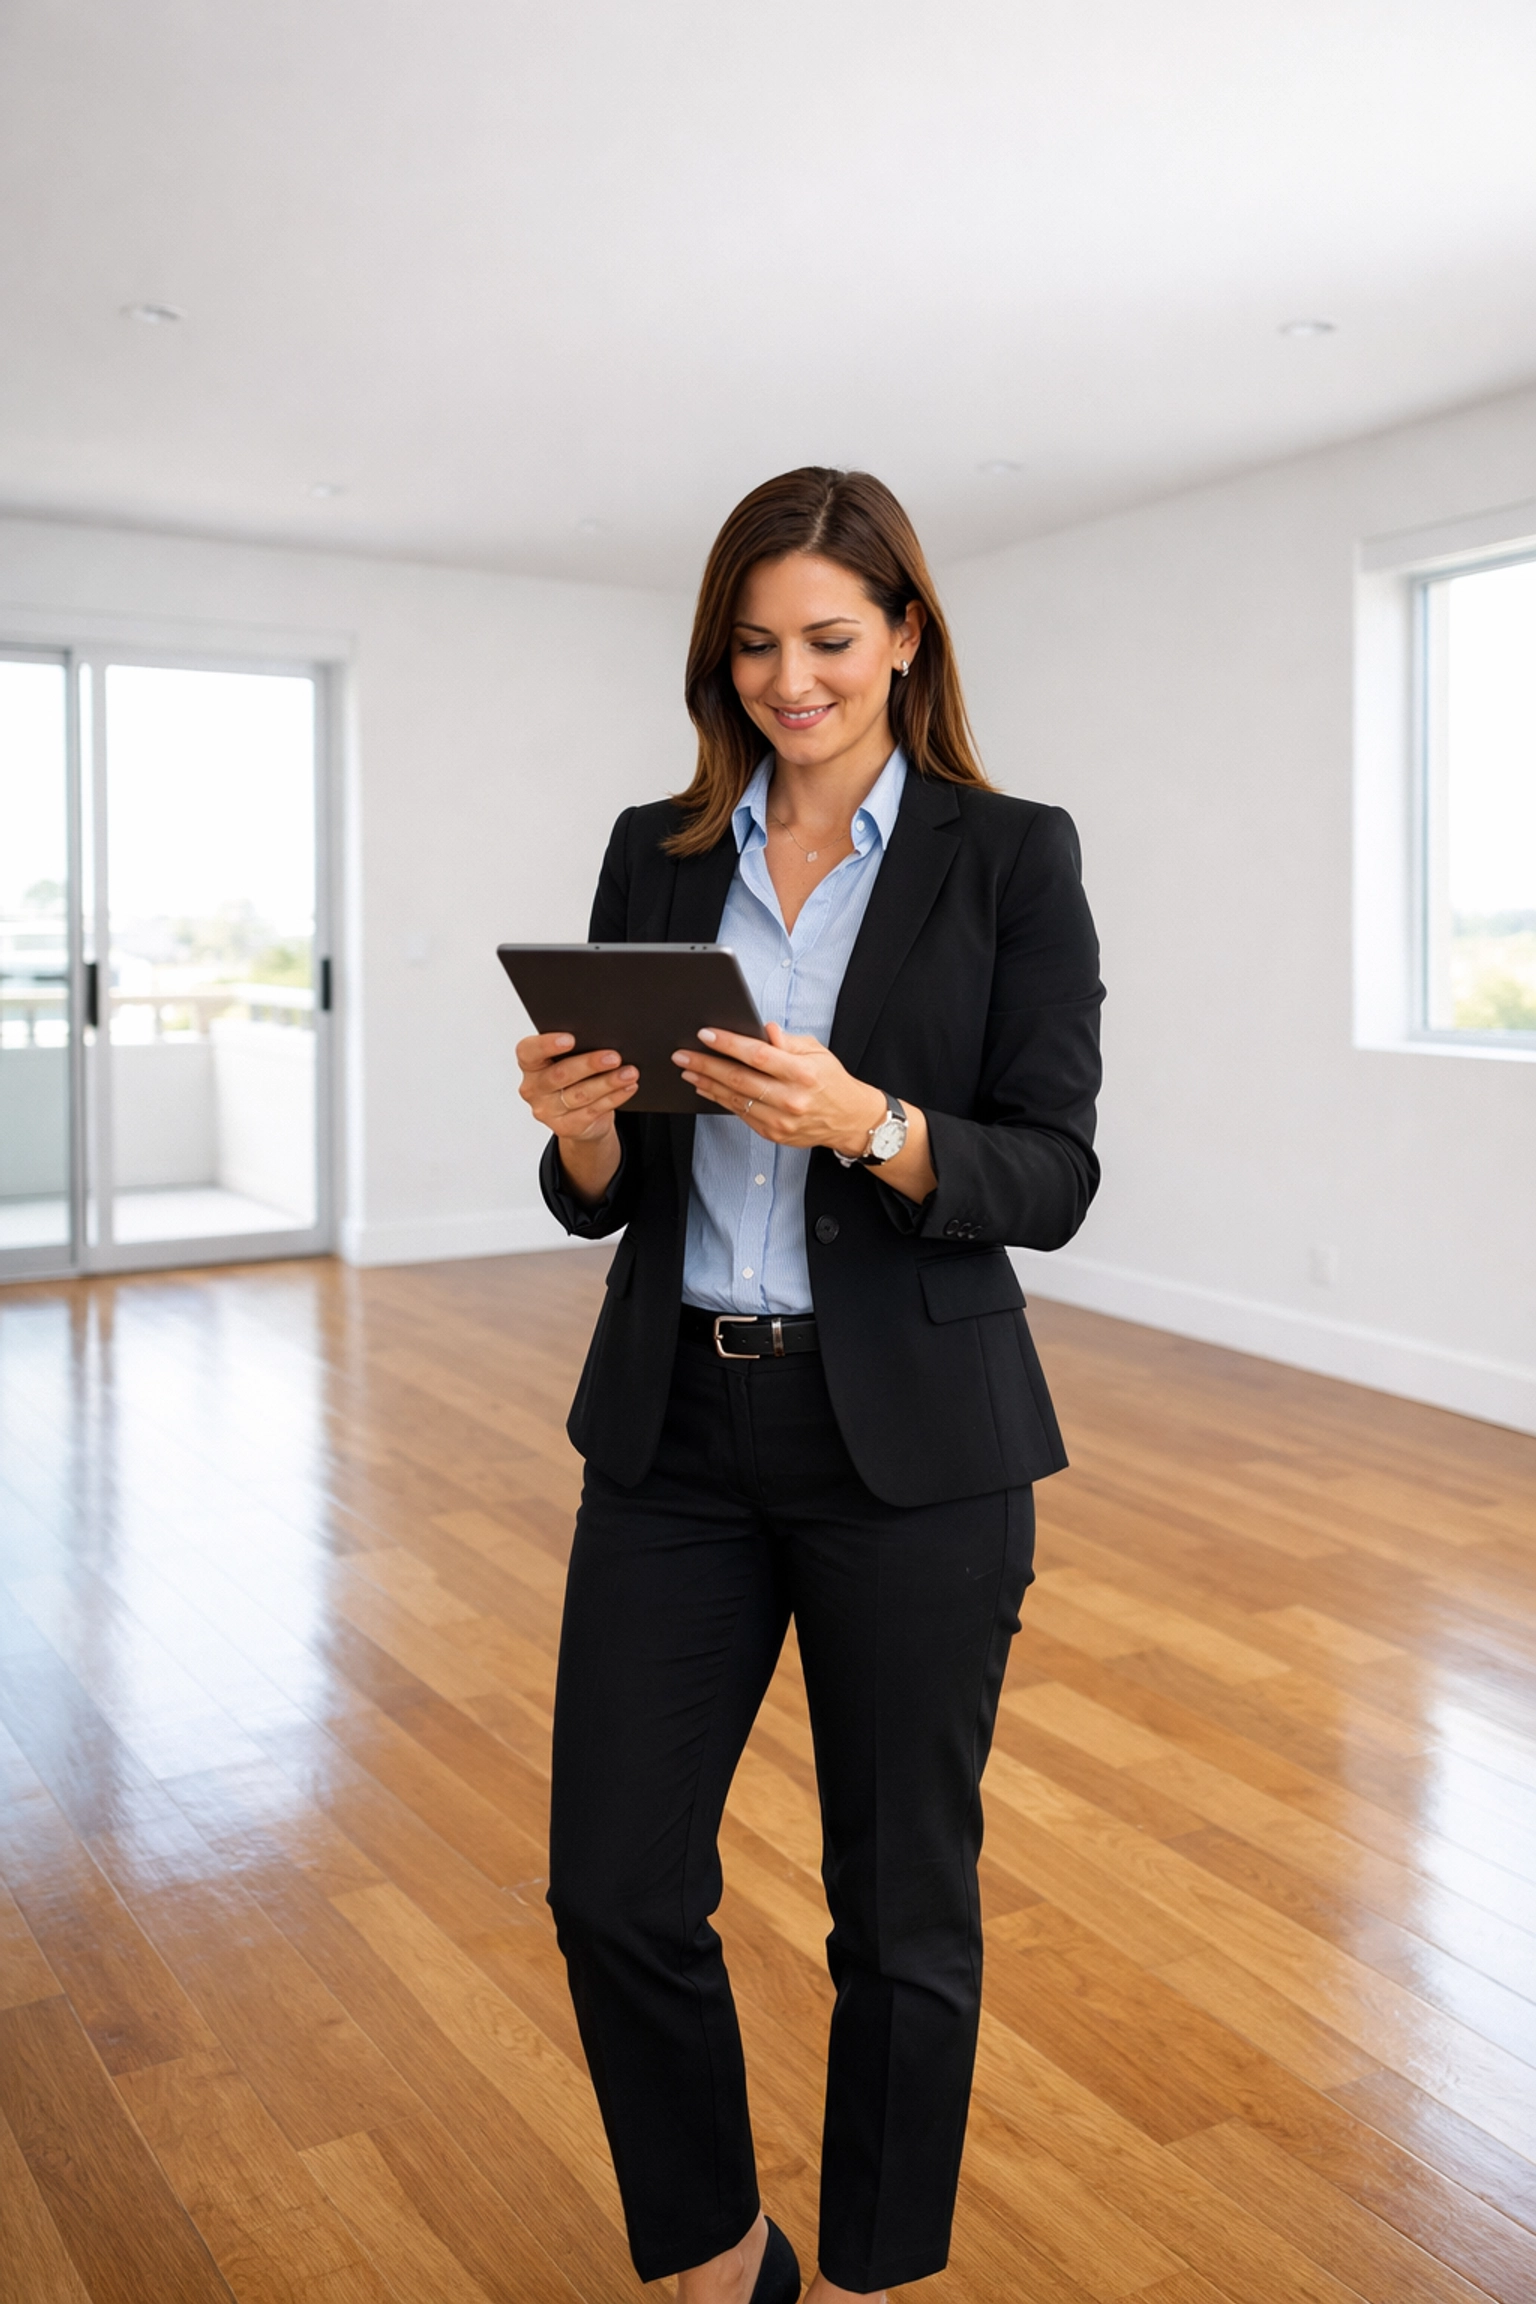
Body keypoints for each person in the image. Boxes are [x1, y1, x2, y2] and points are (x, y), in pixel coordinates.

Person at [518, 467, 1103, 2304]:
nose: (794, 679)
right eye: (756, 645)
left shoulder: (1011, 856)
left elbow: (1055, 1176)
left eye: (831, 640)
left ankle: (869, 2280)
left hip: (918, 1452)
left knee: (902, 1913)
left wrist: (878, 1126)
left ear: (907, 636)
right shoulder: (659, 846)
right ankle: (715, 2259)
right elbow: (599, 1197)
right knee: (613, 1885)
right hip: (676, 1428)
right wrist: (583, 1136)